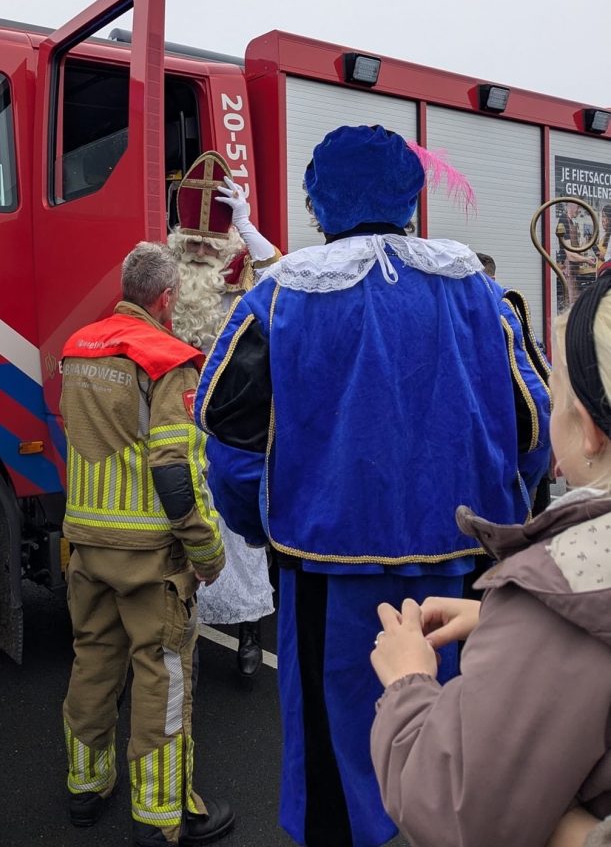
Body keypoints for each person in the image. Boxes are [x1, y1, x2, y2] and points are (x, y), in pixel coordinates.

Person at [195, 125, 551, 847]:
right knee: (468, 740)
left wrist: (268, 527)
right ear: (411, 198)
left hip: (328, 573)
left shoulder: (281, 300)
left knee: (338, 751)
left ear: (317, 203)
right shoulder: (481, 296)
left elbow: (231, 448)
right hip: (464, 575)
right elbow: (532, 433)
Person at [370, 270, 611, 847]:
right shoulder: (490, 305)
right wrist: (513, 624)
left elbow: (455, 809)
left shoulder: (564, 588)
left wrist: (407, 682)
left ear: (592, 432)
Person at [58, 241, 234, 847]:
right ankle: (161, 815)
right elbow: (175, 469)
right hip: (148, 555)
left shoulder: (79, 346)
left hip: (84, 541)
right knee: (160, 673)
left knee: (93, 662)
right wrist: (208, 549)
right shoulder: (168, 358)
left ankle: (86, 788)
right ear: (166, 297)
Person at [167, 150, 279, 676]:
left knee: (235, 525)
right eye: (191, 242)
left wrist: (246, 226)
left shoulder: (244, 263)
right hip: (177, 411)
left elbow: (286, 275)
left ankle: (249, 633)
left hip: (231, 415)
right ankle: (186, 627)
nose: (197, 250)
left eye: (207, 243)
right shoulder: (166, 267)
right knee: (185, 524)